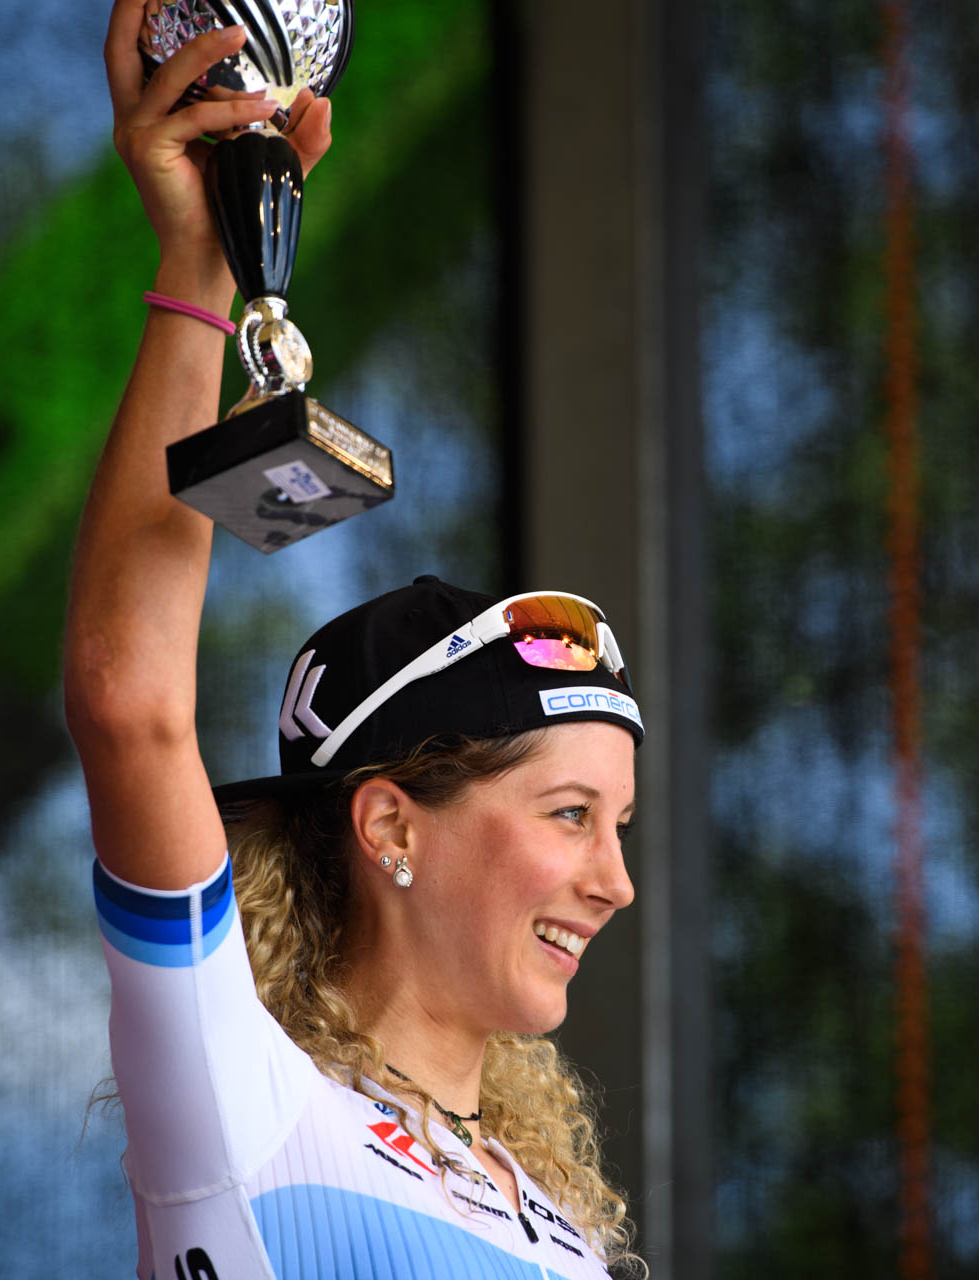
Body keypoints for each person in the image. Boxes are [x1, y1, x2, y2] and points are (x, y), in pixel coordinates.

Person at [66, 5, 643, 1275]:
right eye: (569, 814)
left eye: (616, 823)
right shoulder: (245, 1099)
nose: (616, 880)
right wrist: (202, 269)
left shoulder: (572, 1232)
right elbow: (127, 699)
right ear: (390, 825)